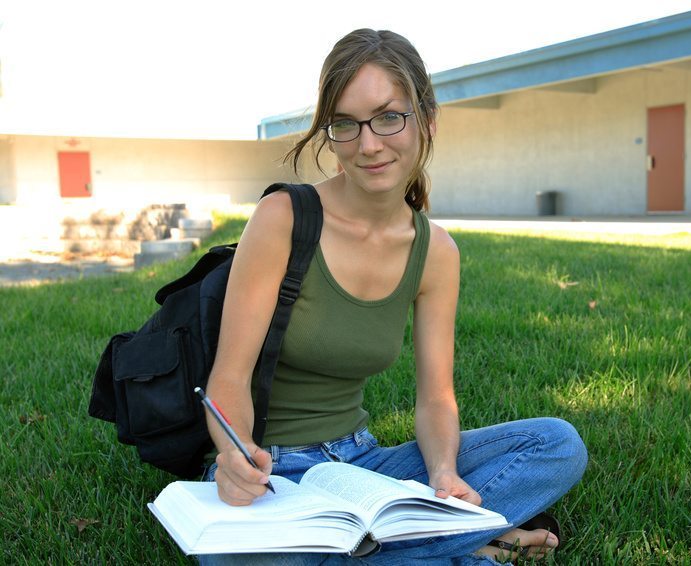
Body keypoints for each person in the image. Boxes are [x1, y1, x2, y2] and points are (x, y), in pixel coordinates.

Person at [202, 28, 587, 565]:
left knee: (557, 444)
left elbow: (436, 398)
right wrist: (233, 454)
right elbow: (229, 376)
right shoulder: (283, 219)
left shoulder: (435, 252)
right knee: (246, 558)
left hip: (360, 469)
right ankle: (464, 547)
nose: (368, 144)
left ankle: (401, 544)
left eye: (388, 116)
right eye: (345, 124)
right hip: (272, 472)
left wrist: (444, 473)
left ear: (426, 121)